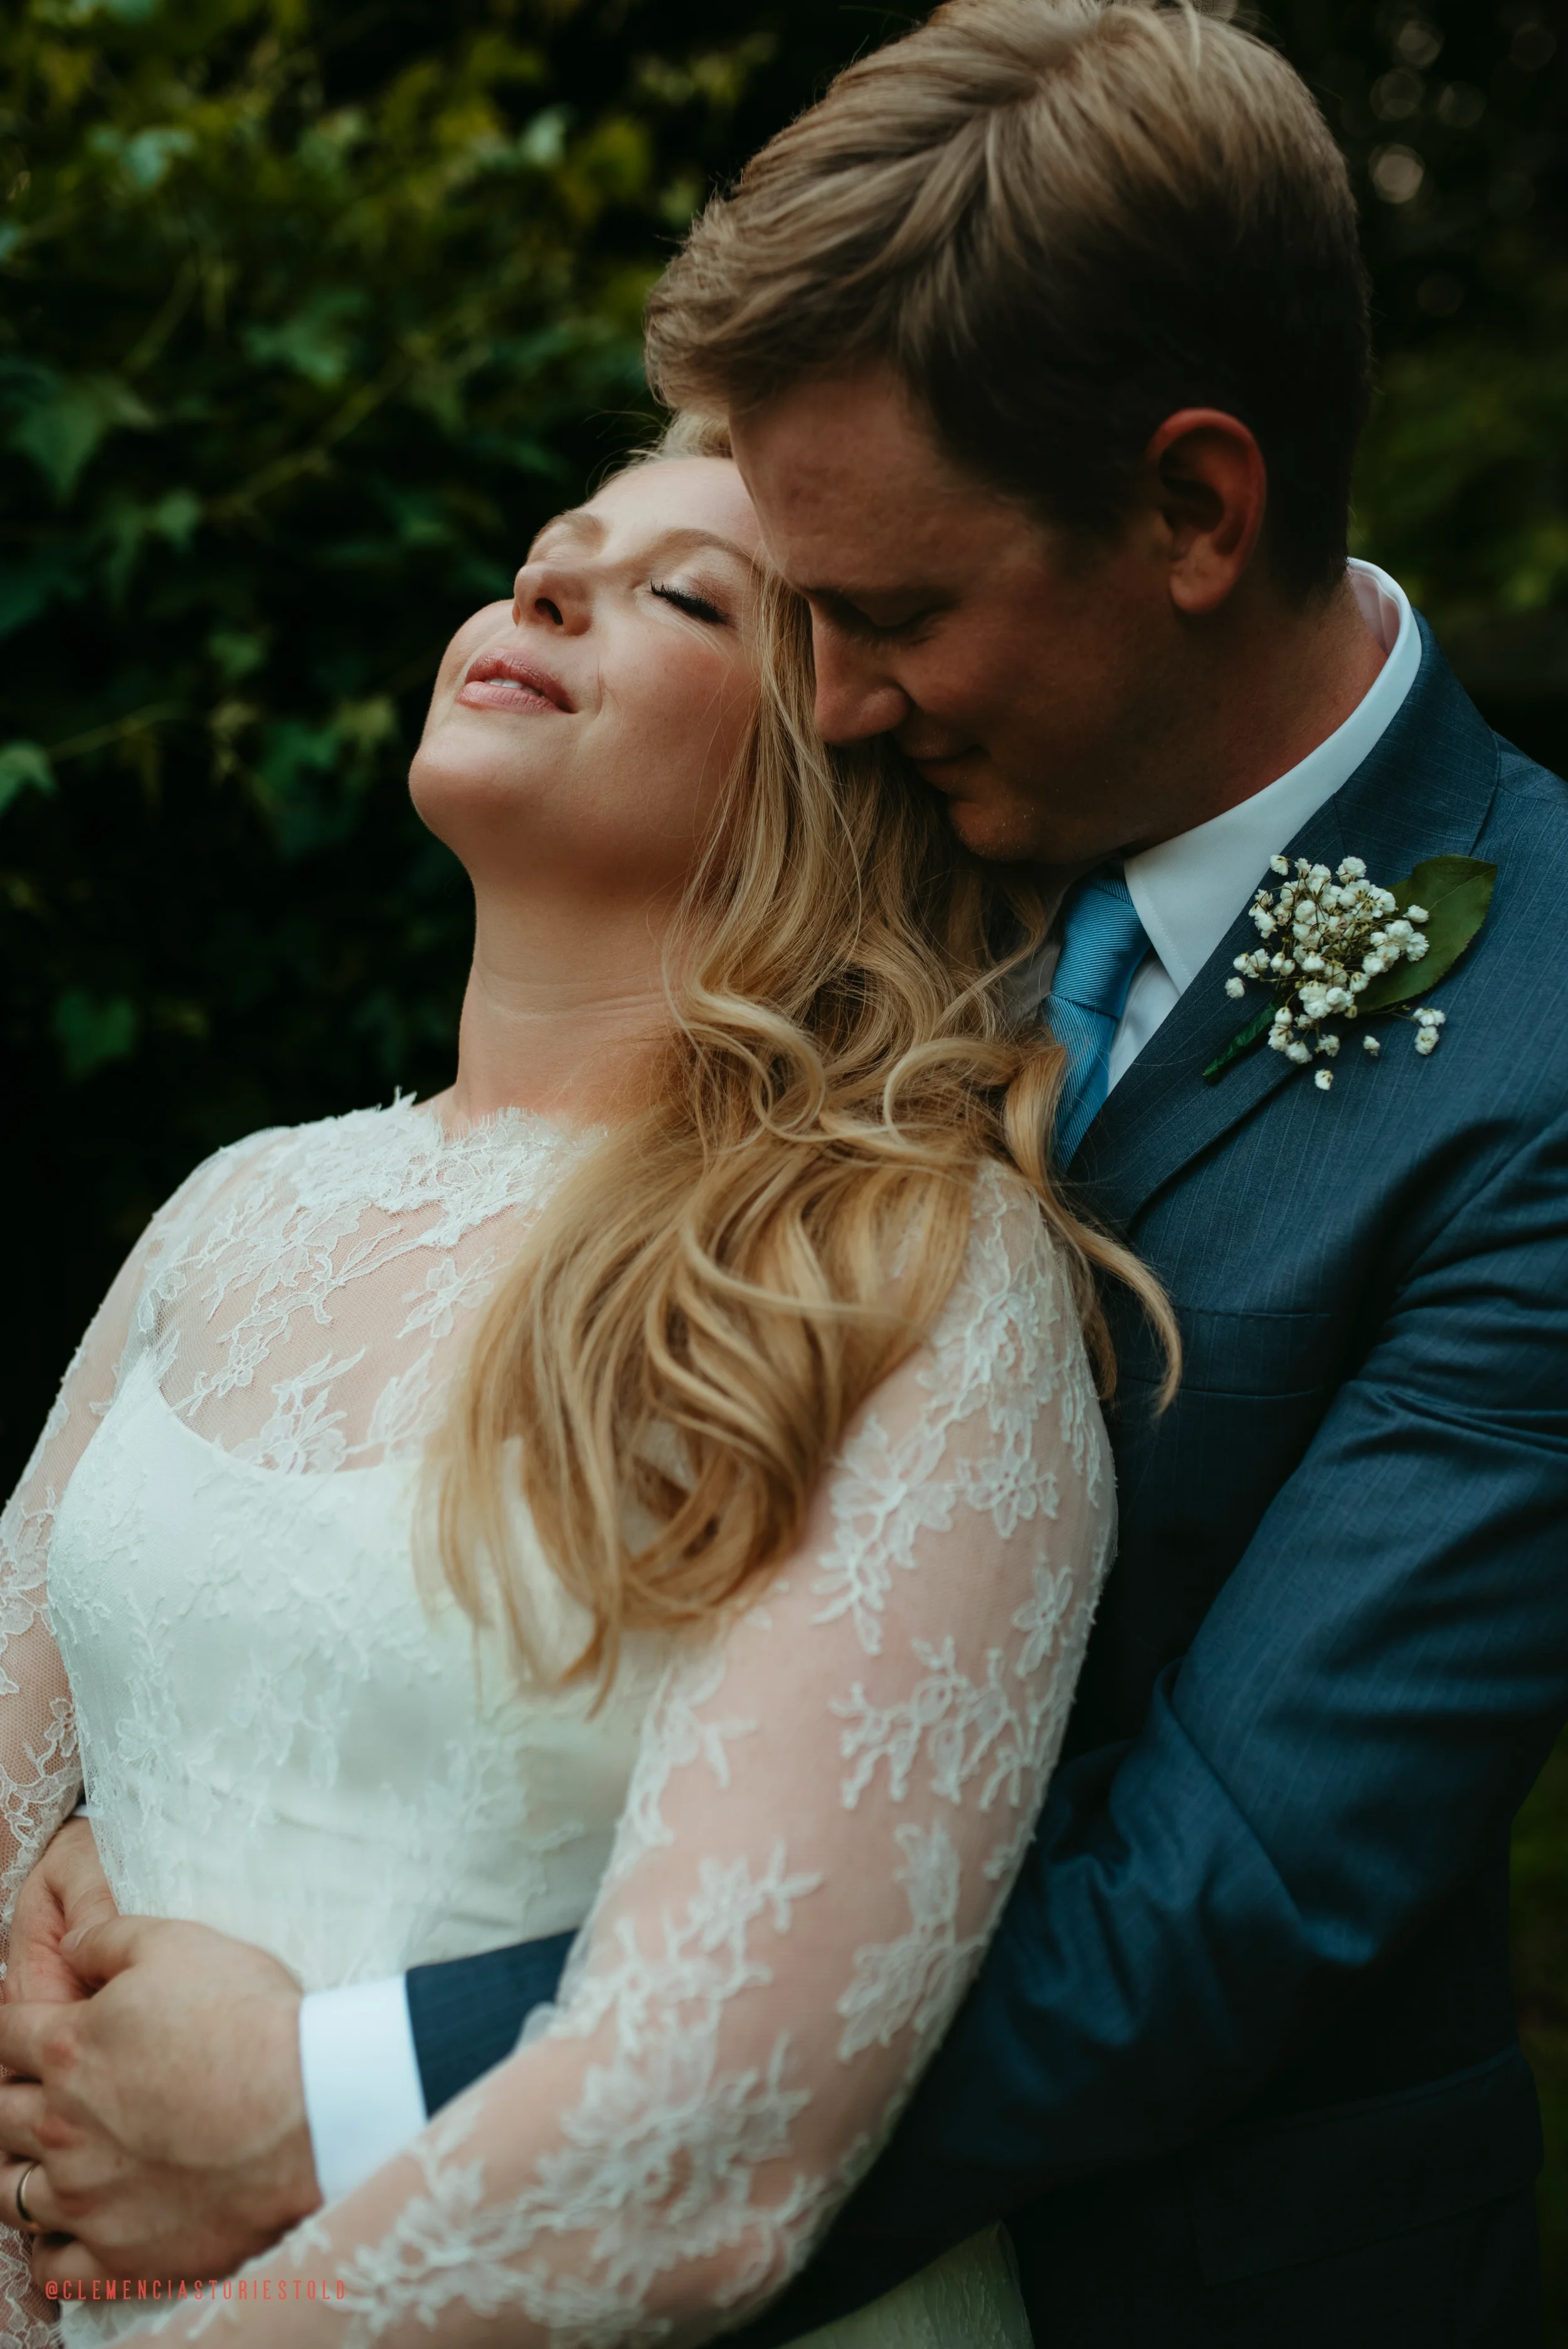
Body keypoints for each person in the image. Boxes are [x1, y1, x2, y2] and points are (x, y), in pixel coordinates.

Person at [5, 0, 1568, 2341]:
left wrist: (333, 2096)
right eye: (800, 611)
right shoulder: (894, 832)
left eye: (889, 613)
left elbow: (1222, 1880)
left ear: (1195, 511)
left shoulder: (1533, 1041)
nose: (832, 707)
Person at [0, 435, 1163, 2347]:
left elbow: (708, 2136)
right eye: (550, 555)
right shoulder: (226, 1215)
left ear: (827, 763)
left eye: (680, 595)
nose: (543, 593)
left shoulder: (895, 1268)